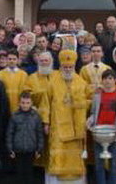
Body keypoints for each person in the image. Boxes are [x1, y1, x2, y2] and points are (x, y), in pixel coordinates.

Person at [39, 50, 89, 183]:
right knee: (58, 155)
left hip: (76, 127)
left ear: (74, 67)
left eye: (70, 67)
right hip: (57, 126)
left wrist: (79, 103)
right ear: (60, 67)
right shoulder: (53, 82)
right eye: (65, 67)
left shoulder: (81, 82)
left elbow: (89, 102)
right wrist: (46, 123)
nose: (67, 69)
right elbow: (45, 103)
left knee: (74, 156)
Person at [86, 69, 116, 184]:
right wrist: (89, 121)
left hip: (115, 134)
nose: (107, 81)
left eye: (110, 78)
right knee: (98, 164)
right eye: (105, 79)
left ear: (115, 80)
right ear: (102, 80)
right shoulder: (97, 96)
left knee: (114, 165)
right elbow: (93, 113)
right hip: (99, 134)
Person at [6, 91, 44, 184]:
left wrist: (39, 149)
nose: (25, 105)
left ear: (31, 103)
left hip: (31, 149)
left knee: (29, 173)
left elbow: (39, 133)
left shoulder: (36, 116)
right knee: (19, 173)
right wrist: (10, 149)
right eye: (23, 103)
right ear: (19, 103)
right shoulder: (14, 116)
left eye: (27, 103)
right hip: (18, 149)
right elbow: (9, 133)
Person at [0, 49, 29, 113]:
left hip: (19, 109)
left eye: (14, 59)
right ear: (6, 60)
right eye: (10, 59)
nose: (12, 61)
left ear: (18, 60)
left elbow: (26, 92)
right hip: (3, 109)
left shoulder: (24, 75)